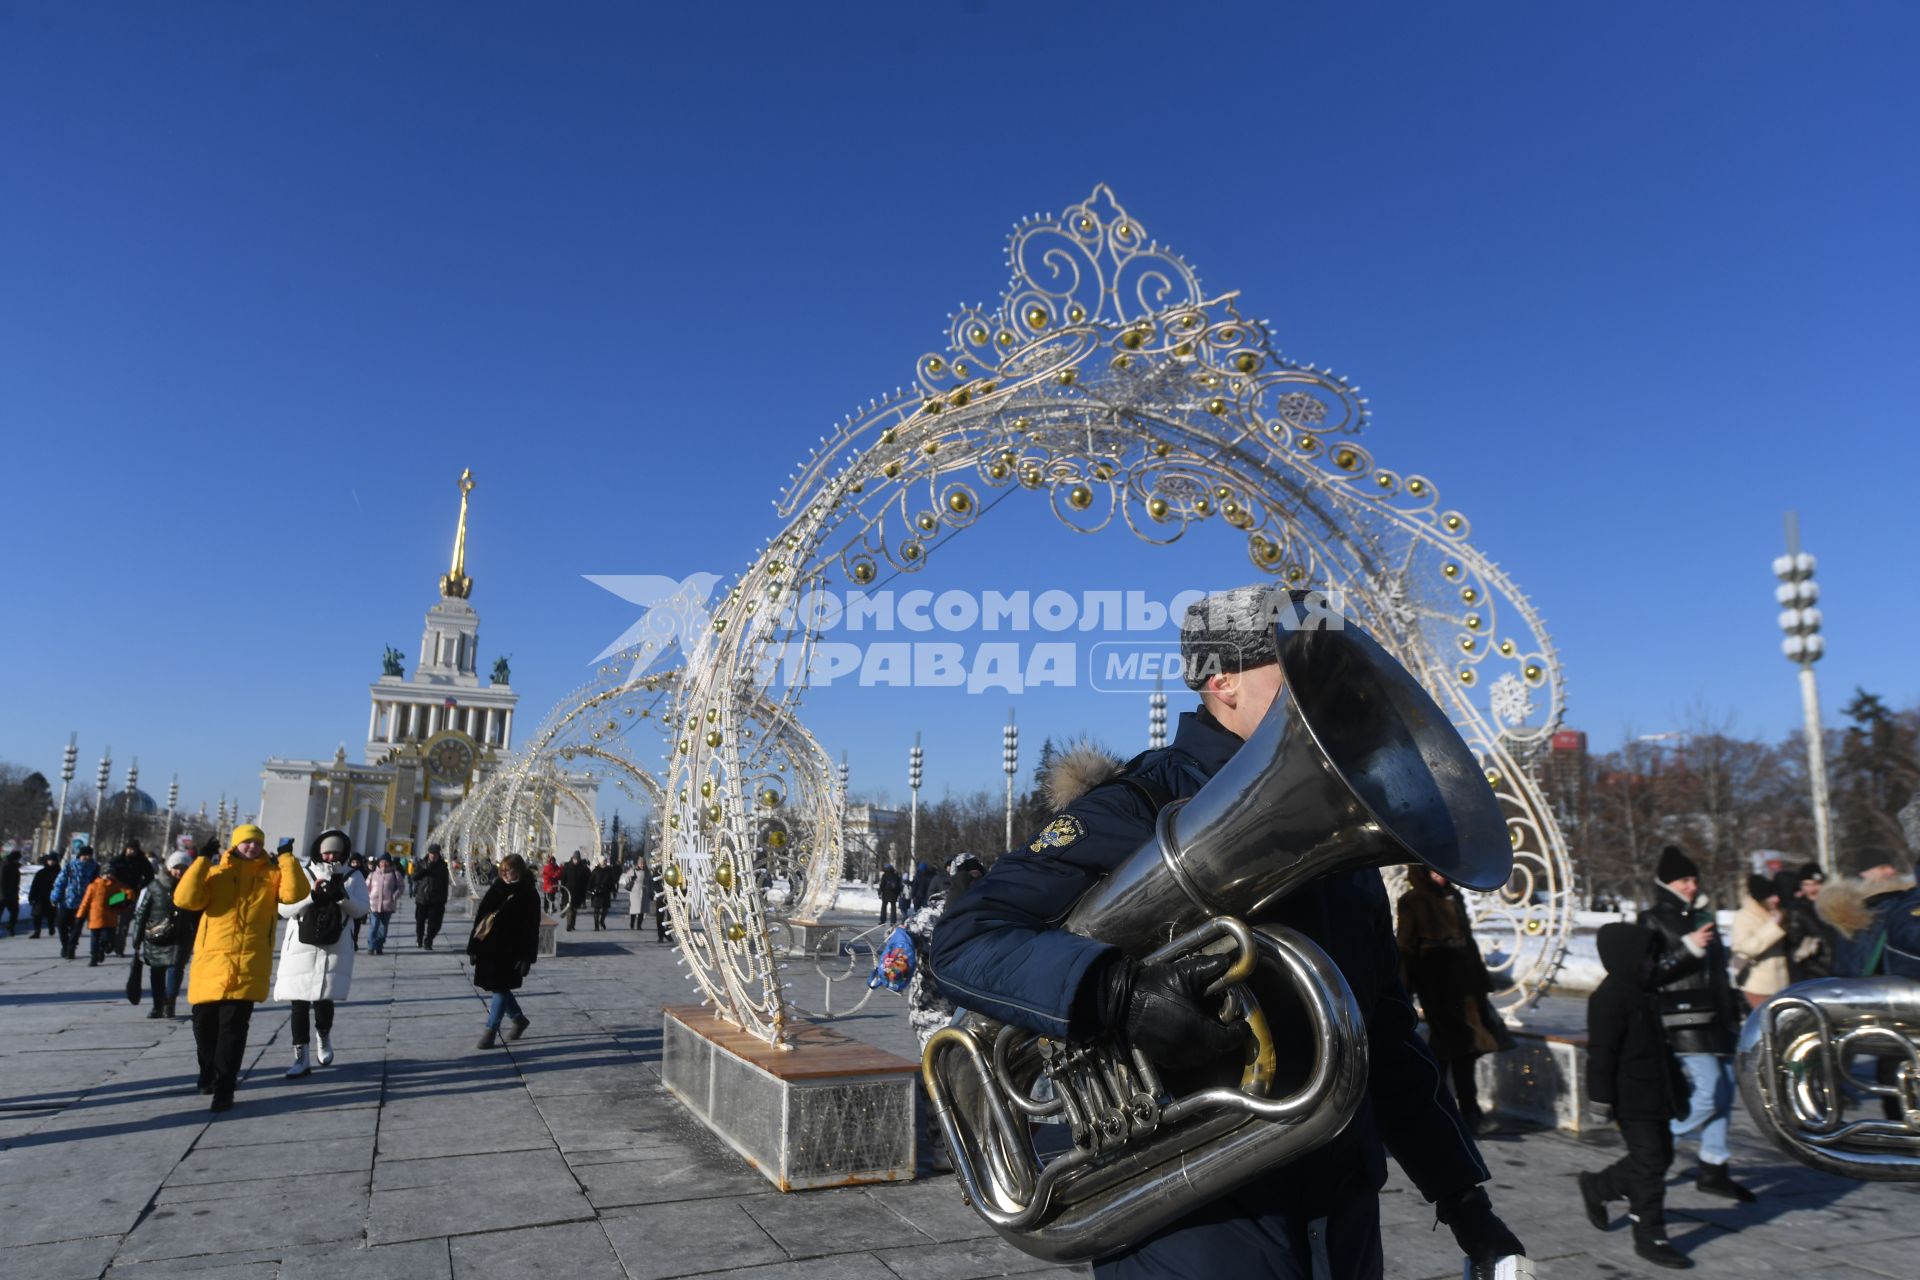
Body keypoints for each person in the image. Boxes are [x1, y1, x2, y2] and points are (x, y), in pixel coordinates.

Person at [931, 585, 1524, 1279]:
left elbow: (1382, 1036)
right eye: (1303, 672)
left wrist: (1465, 1203)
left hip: (1340, 1217)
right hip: (1190, 1224)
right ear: (1223, 681)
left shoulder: (1350, 838)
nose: (1340, 700)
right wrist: (1120, 997)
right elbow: (965, 939)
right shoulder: (1136, 804)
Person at [1639, 844, 1753, 1202]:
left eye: (1693, 878)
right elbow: (1648, 973)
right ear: (1667, 882)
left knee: (1725, 1090)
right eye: (1683, 879)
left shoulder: (1703, 914)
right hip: (1682, 1017)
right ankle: (1662, 1140)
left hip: (1716, 1017)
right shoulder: (1653, 918)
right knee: (1709, 1087)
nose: (1691, 885)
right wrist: (1688, 948)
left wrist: (1733, 1005)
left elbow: (1717, 972)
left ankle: (1714, 1166)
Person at [173, 823, 310, 1112]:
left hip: (248, 963)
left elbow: (295, 894)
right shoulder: (215, 872)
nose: (252, 847)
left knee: (233, 1029)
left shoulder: (272, 874)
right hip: (211, 962)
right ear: (235, 845)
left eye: (257, 843)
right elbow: (185, 899)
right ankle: (207, 1070)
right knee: (203, 1026)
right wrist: (200, 860)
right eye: (246, 842)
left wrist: (287, 858)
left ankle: (225, 1087)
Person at [1578, 923, 1693, 1269]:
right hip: (1630, 1097)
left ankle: (1598, 1186)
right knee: (1649, 1164)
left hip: (1656, 1092)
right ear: (1625, 958)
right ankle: (1650, 1235)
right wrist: (1600, 1098)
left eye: (1652, 957)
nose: (1650, 964)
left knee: (1661, 1157)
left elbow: (1661, 1050)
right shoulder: (1609, 997)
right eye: (1645, 958)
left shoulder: (1646, 990)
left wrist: (1680, 1091)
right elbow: (1601, 1052)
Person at [1394, 866, 1516, 1136]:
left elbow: (1468, 941)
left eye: (1443, 871)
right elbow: (1406, 947)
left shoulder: (1453, 896)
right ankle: (1460, 1112)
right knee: (1455, 1047)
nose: (1442, 876)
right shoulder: (1413, 901)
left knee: (1462, 1050)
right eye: (1434, 871)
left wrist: (1481, 982)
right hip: (1437, 985)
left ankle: (1442, 1110)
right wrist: (1405, 990)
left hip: (1466, 986)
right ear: (1422, 872)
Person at [273, 828, 369, 1076]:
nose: (331, 858)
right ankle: (300, 1057)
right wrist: (312, 897)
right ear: (319, 851)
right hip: (301, 946)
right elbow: (284, 909)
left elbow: (361, 910)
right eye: (327, 853)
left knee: (324, 998)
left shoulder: (352, 875)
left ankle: (323, 1035)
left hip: (334, 945)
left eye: (336, 853)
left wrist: (340, 898)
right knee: (298, 1003)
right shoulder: (303, 873)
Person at [468, 852, 541, 1048]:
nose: (506, 874)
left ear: (519, 870)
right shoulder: (497, 887)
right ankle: (518, 1019)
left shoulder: (528, 893)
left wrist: (527, 957)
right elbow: (481, 919)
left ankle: (491, 1030)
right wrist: (474, 947)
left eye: (509, 870)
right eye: (503, 870)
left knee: (500, 988)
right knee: (498, 987)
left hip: (512, 950)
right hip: (489, 947)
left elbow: (531, 928)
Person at [1817, 845, 1919, 979]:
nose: (1891, 871)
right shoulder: (1854, 909)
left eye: (1890, 866)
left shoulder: (1903, 902)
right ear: (1864, 873)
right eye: (1882, 868)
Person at [129, 850, 194, 1018]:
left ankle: (169, 1003)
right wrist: (136, 938)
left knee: (176, 969)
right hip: (156, 937)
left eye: (184, 868)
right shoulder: (155, 886)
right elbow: (142, 913)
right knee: (156, 972)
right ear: (169, 867)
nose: (179, 872)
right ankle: (157, 1006)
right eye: (176, 867)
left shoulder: (192, 887)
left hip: (181, 937)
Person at [1731, 874, 1790, 1010]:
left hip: (1782, 985)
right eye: (1770, 896)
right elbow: (1745, 948)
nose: (1776, 899)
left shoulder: (1777, 912)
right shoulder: (1744, 916)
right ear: (1760, 898)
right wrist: (1774, 926)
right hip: (1758, 987)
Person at [1782, 861, 1833, 983]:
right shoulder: (1797, 911)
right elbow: (1792, 946)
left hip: (1836, 972)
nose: (1812, 889)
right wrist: (1802, 949)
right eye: (1807, 885)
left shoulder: (1832, 905)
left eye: (1816, 884)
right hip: (1813, 976)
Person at [75, 859, 130, 966]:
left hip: (110, 918)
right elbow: (85, 902)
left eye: (111, 874)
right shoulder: (93, 886)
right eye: (107, 874)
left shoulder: (117, 885)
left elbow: (129, 892)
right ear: (102, 874)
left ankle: (102, 950)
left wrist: (124, 899)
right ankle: (94, 957)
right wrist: (79, 916)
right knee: (94, 940)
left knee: (109, 940)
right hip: (95, 917)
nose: (109, 876)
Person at [51, 840, 98, 959]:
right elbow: (60, 882)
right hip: (66, 902)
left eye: (89, 855)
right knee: (61, 925)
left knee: (76, 928)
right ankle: (65, 945)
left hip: (83, 904)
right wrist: (55, 897)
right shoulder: (69, 867)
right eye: (84, 855)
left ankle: (71, 949)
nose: (86, 857)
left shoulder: (95, 869)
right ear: (79, 856)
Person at [108, 839, 156, 956]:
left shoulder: (142, 861)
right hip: (116, 893)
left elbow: (150, 876)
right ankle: (110, 942)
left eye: (134, 849)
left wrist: (140, 886)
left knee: (124, 923)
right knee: (111, 919)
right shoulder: (117, 860)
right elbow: (108, 872)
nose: (131, 852)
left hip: (132, 894)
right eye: (129, 849)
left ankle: (120, 948)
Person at [411, 844, 451, 949]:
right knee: (419, 921)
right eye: (431, 854)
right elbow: (414, 877)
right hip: (422, 898)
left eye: (435, 854)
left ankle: (428, 940)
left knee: (435, 924)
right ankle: (419, 939)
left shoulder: (442, 866)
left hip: (436, 899)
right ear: (428, 853)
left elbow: (445, 883)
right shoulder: (421, 863)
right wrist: (425, 871)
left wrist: (444, 898)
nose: (433, 856)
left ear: (438, 854)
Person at [365, 853, 404, 954]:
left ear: (389, 863)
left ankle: (379, 946)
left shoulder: (395, 874)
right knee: (374, 926)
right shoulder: (373, 874)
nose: (383, 864)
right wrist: (369, 898)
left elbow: (401, 887)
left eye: (385, 862)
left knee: (383, 928)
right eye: (381, 862)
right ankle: (371, 947)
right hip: (373, 905)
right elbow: (366, 888)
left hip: (387, 905)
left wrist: (394, 896)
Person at [28, 853, 59, 939]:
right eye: (50, 860)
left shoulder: (59, 873)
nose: (51, 862)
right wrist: (31, 896)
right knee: (37, 914)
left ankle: (51, 927)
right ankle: (37, 931)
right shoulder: (41, 873)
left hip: (53, 896)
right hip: (40, 896)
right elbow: (34, 885)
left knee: (51, 915)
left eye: (53, 860)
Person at [560, 851, 590, 932]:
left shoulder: (583, 869)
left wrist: (585, 892)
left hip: (578, 892)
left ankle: (572, 924)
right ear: (572, 858)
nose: (576, 861)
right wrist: (562, 889)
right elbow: (563, 879)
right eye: (575, 859)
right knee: (569, 908)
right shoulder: (567, 867)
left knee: (574, 909)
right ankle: (569, 925)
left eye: (577, 859)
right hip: (568, 892)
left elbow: (586, 881)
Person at [588, 856, 618, 931]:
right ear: (600, 862)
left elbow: (612, 881)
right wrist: (589, 890)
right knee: (596, 910)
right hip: (597, 893)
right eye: (603, 861)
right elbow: (590, 881)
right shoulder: (595, 870)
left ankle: (602, 921)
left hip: (606, 892)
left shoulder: (609, 870)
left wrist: (613, 890)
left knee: (605, 909)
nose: (604, 862)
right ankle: (596, 925)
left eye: (605, 861)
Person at [1, 848, 21, 935]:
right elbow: (1, 880)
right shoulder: (5, 866)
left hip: (12, 893)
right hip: (3, 894)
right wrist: (3, 893)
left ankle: (10, 926)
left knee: (15, 911)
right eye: (18, 858)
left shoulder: (14, 866)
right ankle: (10, 926)